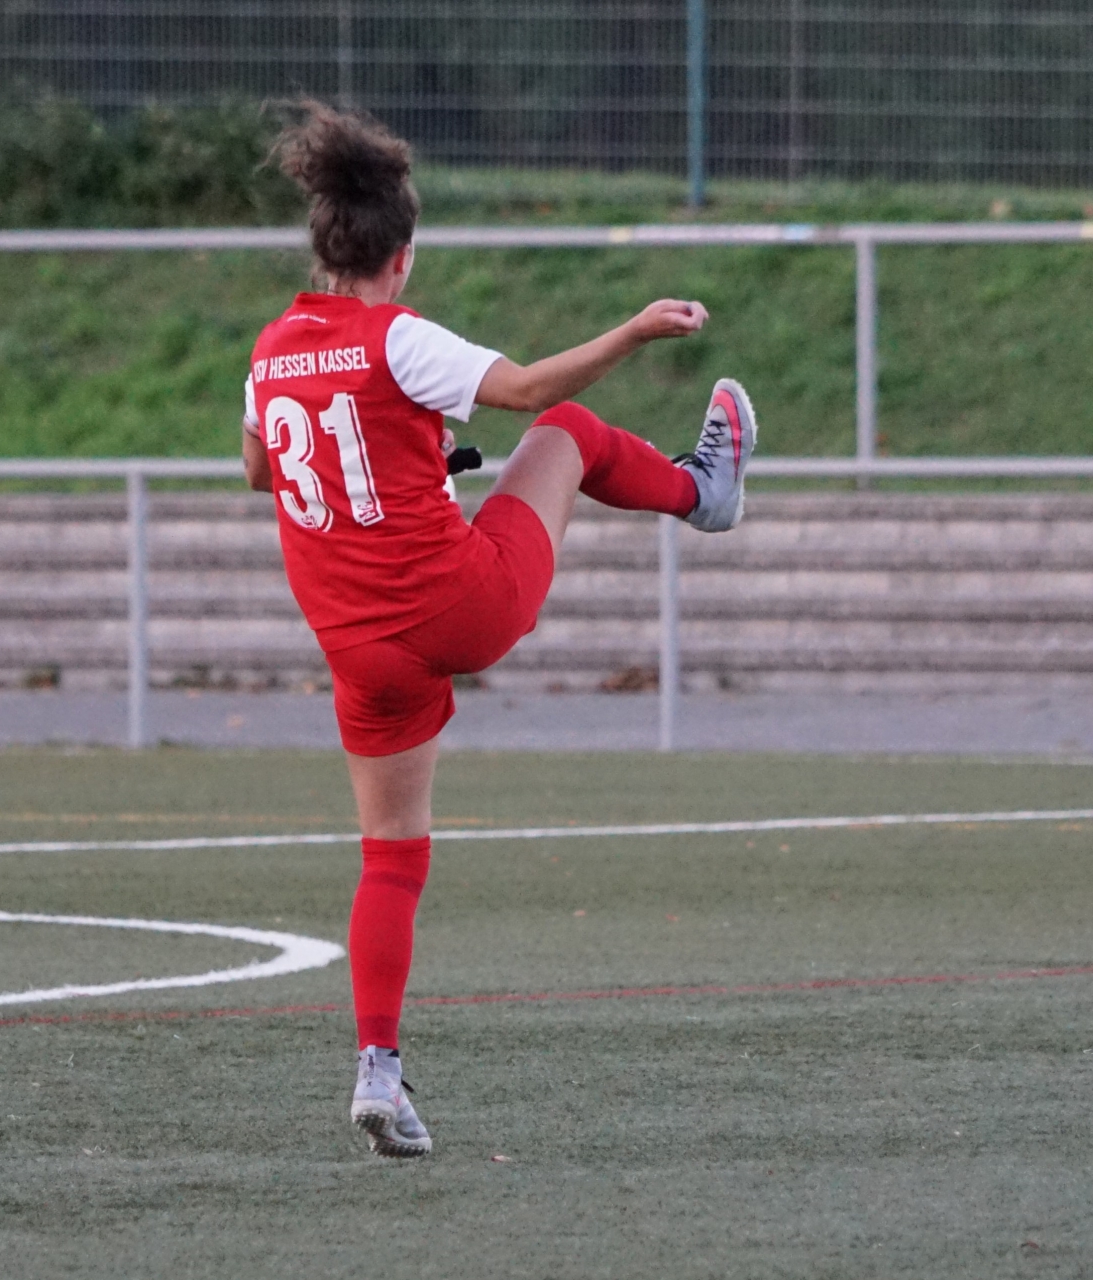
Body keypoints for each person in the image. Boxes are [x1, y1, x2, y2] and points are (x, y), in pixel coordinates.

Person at [240, 103, 757, 1159]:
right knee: (567, 432)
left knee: (391, 854)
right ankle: (703, 492)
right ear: (402, 254)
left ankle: (377, 1068)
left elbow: (262, 469)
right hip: (456, 605)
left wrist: (406, 458)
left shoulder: (273, 347)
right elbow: (523, 390)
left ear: (322, 246)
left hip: (358, 649)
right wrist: (632, 331)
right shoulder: (400, 337)